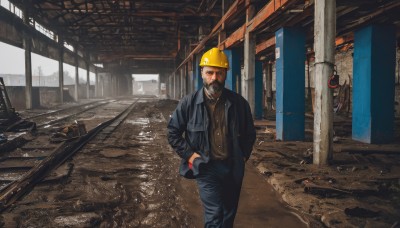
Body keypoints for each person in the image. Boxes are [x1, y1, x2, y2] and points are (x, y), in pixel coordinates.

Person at [167, 47, 256, 227]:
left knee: (229, 213)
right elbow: (173, 133)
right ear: (202, 73)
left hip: (232, 167)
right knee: (214, 214)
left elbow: (249, 134)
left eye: (219, 73)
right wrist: (191, 156)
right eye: (210, 73)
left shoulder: (239, 104)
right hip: (206, 168)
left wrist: (243, 156)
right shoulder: (188, 103)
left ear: (225, 74)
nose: (214, 78)